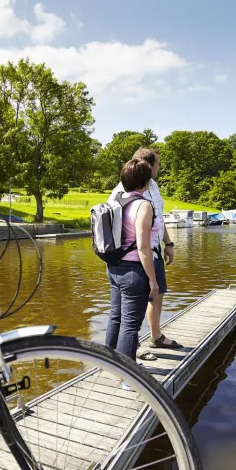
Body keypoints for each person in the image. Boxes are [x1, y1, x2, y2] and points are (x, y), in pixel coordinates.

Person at [110, 148, 181, 350]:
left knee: (157, 296)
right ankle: (131, 352)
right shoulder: (121, 191)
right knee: (127, 316)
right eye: (157, 164)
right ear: (147, 166)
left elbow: (158, 217)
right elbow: (135, 240)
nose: (159, 167)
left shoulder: (153, 187)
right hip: (134, 260)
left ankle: (155, 337)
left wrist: (168, 244)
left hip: (154, 251)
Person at [105, 158, 161, 370]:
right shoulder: (143, 205)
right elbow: (143, 247)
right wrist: (153, 280)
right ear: (145, 183)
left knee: (115, 317)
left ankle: (108, 362)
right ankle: (129, 376)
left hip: (114, 267)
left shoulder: (117, 201)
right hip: (133, 272)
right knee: (130, 325)